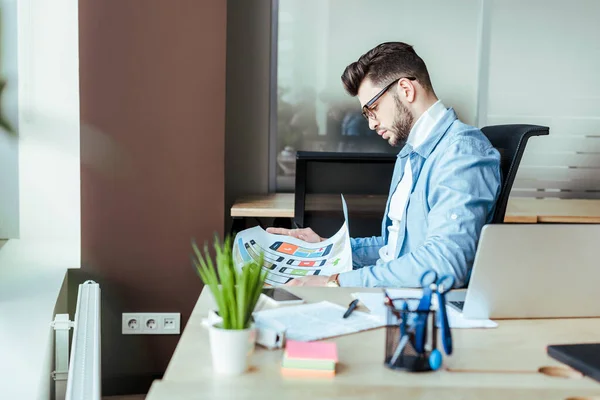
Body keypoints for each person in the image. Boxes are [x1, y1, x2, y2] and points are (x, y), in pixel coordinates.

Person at [267, 42, 501, 288]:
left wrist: (334, 283)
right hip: (392, 296)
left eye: (373, 108)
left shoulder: (461, 152)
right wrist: (326, 249)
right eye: (366, 114)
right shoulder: (411, 154)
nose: (371, 123)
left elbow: (444, 263)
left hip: (420, 308)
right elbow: (396, 249)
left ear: (406, 89)